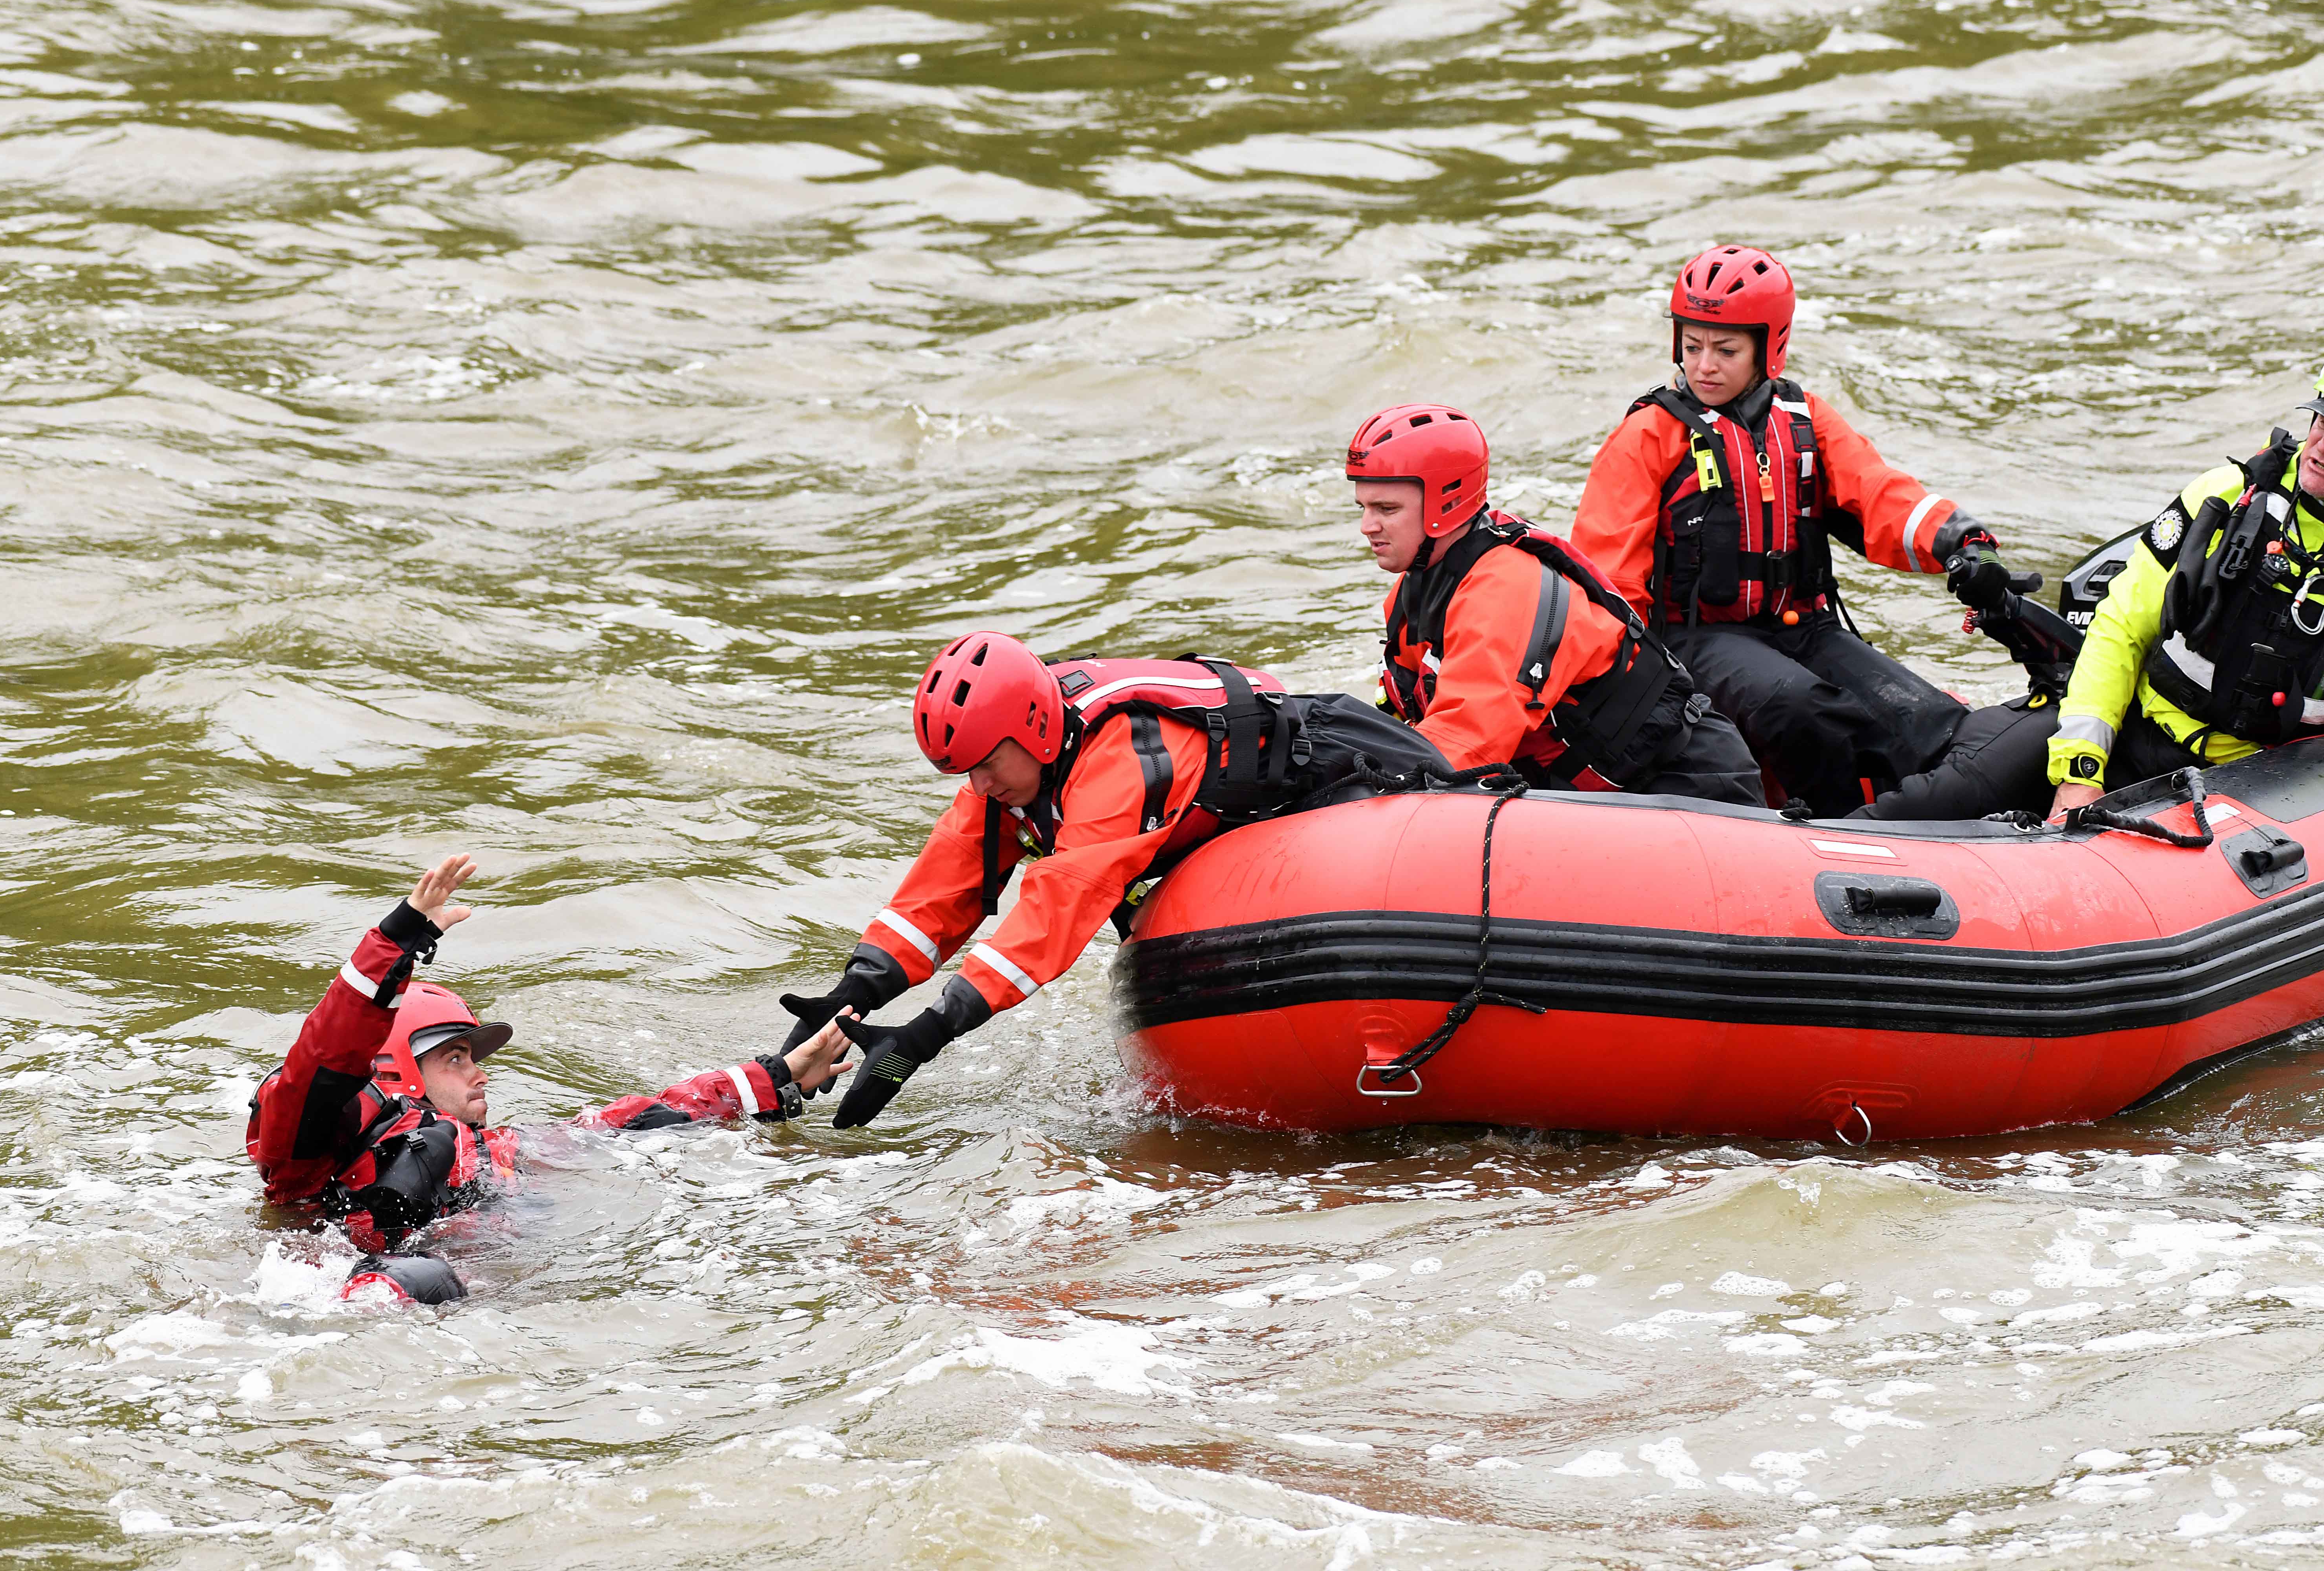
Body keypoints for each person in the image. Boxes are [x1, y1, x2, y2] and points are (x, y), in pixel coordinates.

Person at [779, 634, 1443, 1127]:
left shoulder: (1119, 761)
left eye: (984, 765)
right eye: (962, 773)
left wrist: (922, 1037)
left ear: (1032, 730)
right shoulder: (1009, 767)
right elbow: (934, 897)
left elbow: (1056, 911)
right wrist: (852, 994)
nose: (976, 786)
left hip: (1348, 768)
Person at [246, 855, 861, 1303]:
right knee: (420, 1277)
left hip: (467, 1303)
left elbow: (632, 1121)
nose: (478, 1073)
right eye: (454, 1059)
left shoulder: (501, 1150)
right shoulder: (321, 1141)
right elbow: (324, 1053)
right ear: (398, 1068)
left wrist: (776, 1077)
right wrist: (396, 942)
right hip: (333, 1290)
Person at [1572, 244, 2018, 816]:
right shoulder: (1647, 435)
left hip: (1803, 627)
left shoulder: (1804, 418)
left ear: (1769, 347)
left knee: (1927, 719)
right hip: (1695, 639)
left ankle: (1944, 818)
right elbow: (1607, 576)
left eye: (1726, 350)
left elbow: (1879, 495)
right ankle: (1842, 832)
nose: (1704, 365)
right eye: (1691, 347)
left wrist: (1963, 543)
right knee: (1801, 708)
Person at [2046, 335, 2324, 815]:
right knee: (1964, 785)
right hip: (2143, 732)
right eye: (2323, 418)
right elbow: (2121, 627)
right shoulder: (2225, 495)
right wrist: (2079, 773)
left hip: (2268, 784)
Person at [1350, 402, 1759, 806]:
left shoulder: (1504, 589)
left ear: (1447, 503)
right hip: (1591, 796)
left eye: (1387, 509)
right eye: (1364, 508)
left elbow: (1463, 750)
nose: (1368, 526)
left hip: (1688, 783)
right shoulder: (1413, 594)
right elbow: (1404, 722)